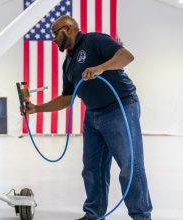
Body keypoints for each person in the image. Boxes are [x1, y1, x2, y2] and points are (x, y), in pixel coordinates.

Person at [22, 15, 152, 220]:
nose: (53, 39)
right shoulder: (68, 64)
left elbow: (127, 56)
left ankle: (141, 216)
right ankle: (94, 214)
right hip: (93, 116)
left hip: (120, 108)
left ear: (69, 28)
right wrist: (36, 109)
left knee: (129, 166)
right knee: (92, 169)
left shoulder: (94, 40)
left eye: (55, 34)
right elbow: (66, 99)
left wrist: (100, 67)